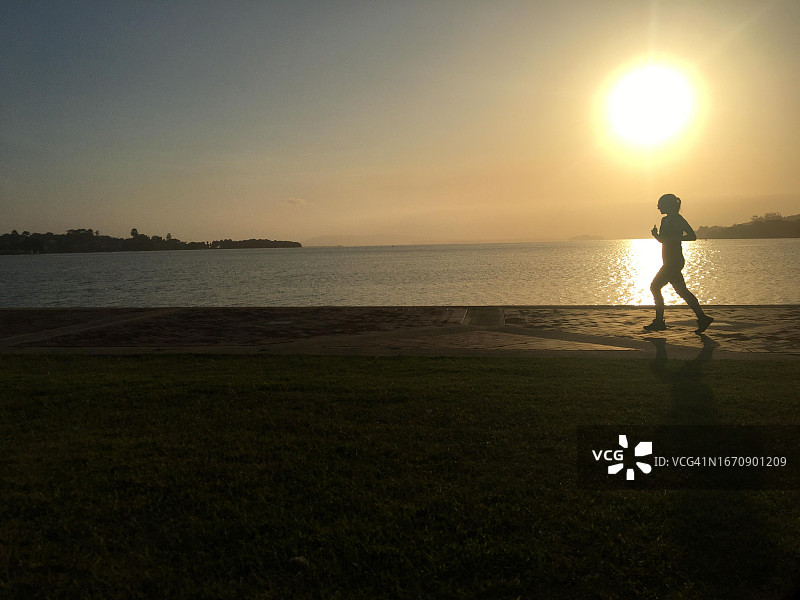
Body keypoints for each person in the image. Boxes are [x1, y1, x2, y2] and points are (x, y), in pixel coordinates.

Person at [644, 193, 713, 334]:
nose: (658, 207)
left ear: (668, 205)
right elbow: (664, 240)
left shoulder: (678, 219)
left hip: (674, 262)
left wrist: (674, 238)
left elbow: (692, 236)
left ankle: (659, 321)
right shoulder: (664, 220)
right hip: (669, 261)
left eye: (660, 204)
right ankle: (702, 317)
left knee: (655, 287)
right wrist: (656, 235)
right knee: (682, 291)